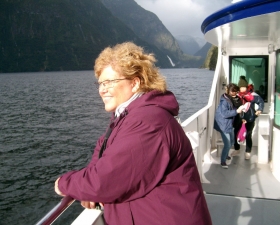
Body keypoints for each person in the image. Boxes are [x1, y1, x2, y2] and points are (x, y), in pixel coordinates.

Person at [54, 42, 212, 225]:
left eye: (109, 82)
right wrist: (87, 190)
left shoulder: (148, 121)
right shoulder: (126, 117)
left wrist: (63, 183)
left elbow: (104, 181)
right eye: (100, 83)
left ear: (135, 83)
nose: (101, 89)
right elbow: (102, 151)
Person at [231, 76, 264, 159]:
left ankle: (248, 152)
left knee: (248, 135)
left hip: (250, 118)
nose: (242, 89)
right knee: (236, 133)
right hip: (239, 118)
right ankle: (237, 149)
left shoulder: (252, 95)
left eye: (244, 87)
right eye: (240, 87)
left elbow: (261, 102)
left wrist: (259, 110)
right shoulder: (236, 95)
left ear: (246, 87)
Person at [214, 83, 244, 169]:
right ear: (228, 90)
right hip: (223, 124)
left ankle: (226, 155)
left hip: (230, 124)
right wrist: (237, 111)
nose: (234, 93)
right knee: (227, 144)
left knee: (231, 142)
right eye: (233, 91)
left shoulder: (233, 99)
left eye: (236, 91)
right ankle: (223, 161)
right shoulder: (224, 101)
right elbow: (224, 114)